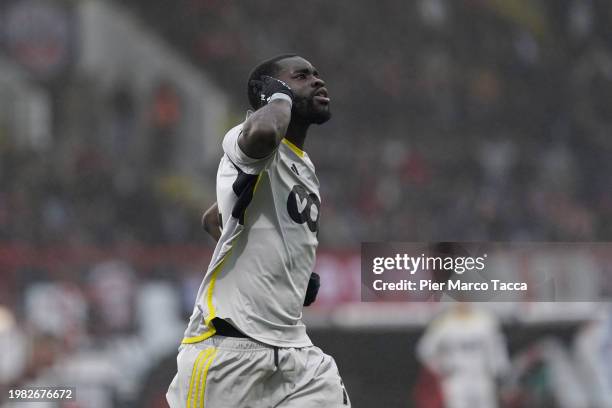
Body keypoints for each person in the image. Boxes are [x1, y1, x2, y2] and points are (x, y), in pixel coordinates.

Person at [167, 54, 350, 407]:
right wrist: (279, 98)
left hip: (296, 355)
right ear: (272, 92)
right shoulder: (247, 135)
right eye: (301, 76)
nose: (317, 80)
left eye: (317, 74)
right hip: (229, 351)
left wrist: (292, 272)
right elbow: (264, 133)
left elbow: (218, 218)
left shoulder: (301, 163)